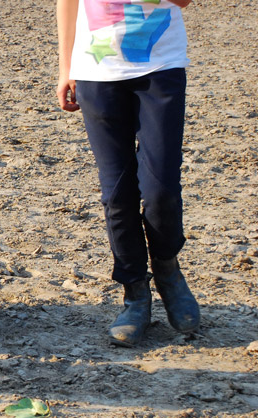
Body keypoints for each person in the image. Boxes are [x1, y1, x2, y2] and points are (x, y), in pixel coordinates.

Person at [56, 0, 199, 346]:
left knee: (160, 189)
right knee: (116, 194)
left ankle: (167, 270)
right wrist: (66, 67)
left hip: (160, 67)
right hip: (96, 72)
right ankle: (135, 294)